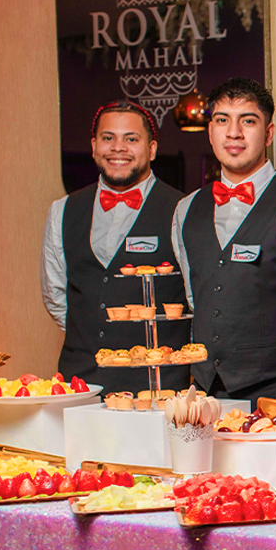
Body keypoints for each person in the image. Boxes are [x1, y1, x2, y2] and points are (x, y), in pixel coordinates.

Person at [170, 77, 276, 401]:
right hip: (205, 396)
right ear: (210, 131)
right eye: (223, 120)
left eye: (248, 121)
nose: (234, 133)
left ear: (269, 133)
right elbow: (197, 299)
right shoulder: (185, 210)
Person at [41, 101, 187, 393]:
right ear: (94, 146)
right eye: (108, 138)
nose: (118, 148)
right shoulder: (62, 210)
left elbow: (197, 298)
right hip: (80, 382)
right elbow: (55, 296)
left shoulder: (183, 209)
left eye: (131, 139)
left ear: (152, 149)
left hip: (158, 384)